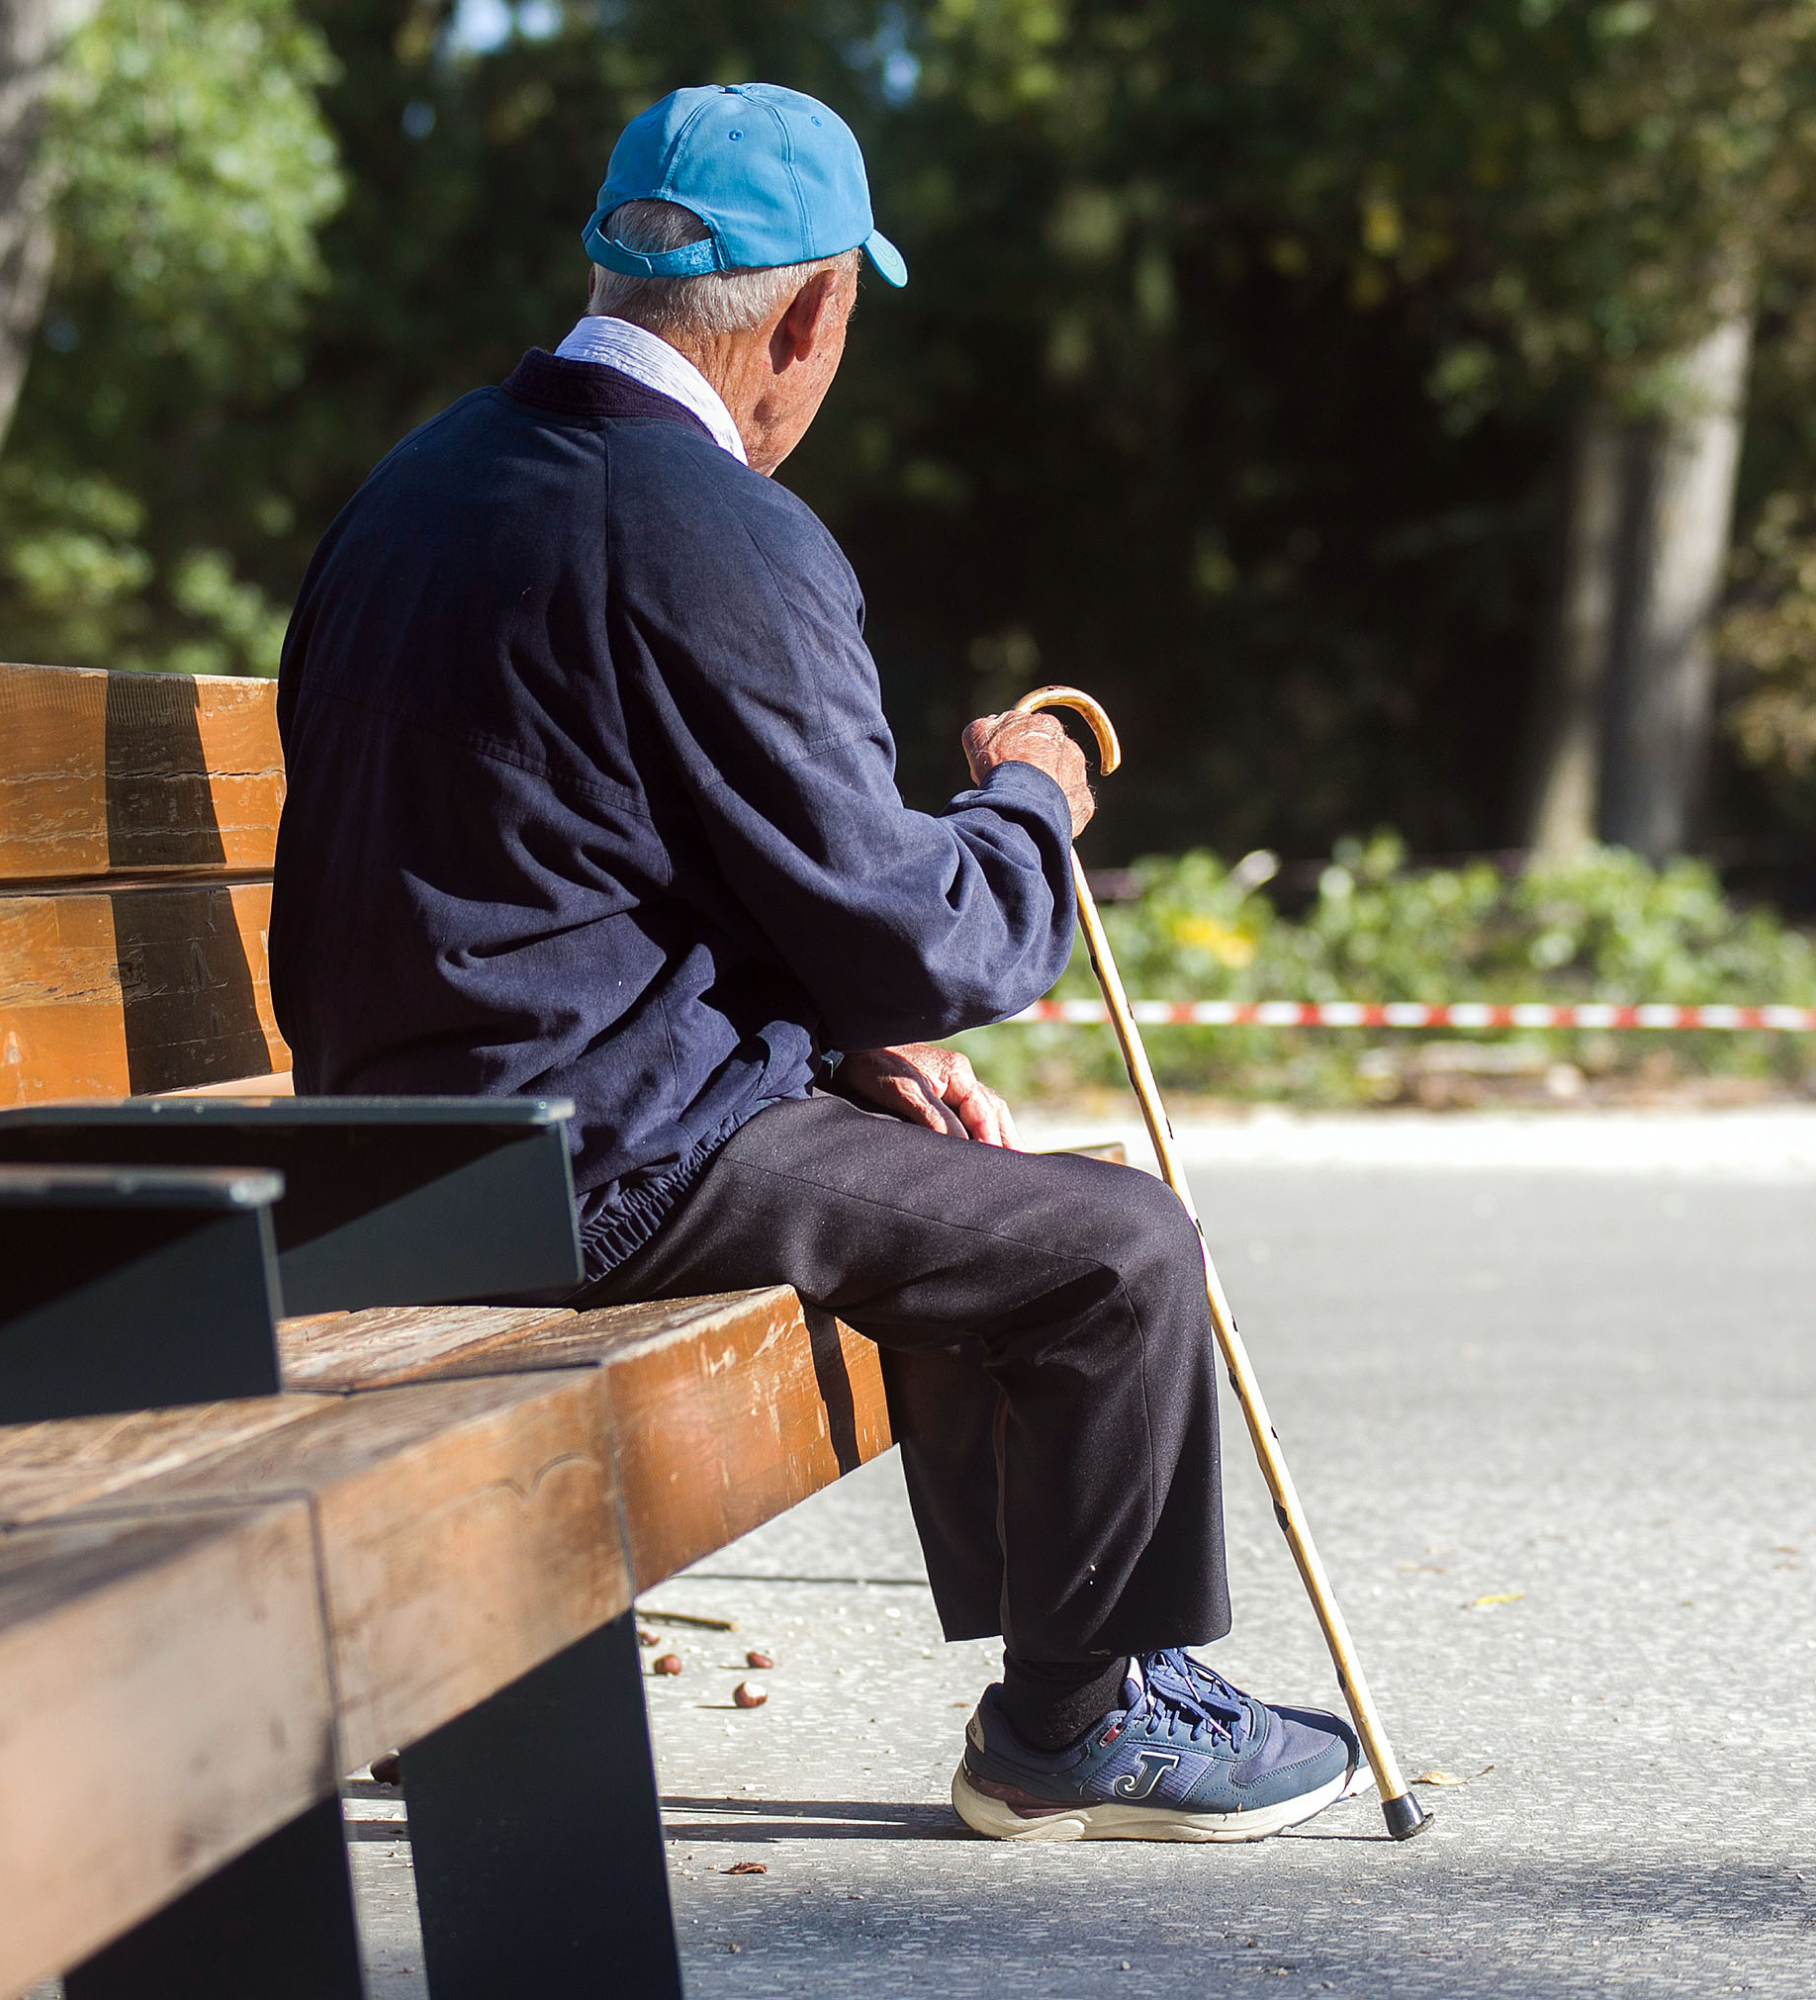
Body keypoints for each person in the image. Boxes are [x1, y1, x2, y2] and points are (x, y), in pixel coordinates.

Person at [271, 81, 1361, 1842]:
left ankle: (1090, 1686)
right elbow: (927, 937)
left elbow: (578, 865)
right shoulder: (712, 529)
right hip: (583, 1166)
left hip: (396, 1142)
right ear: (810, 310)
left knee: (945, 1165)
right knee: (1116, 1252)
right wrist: (1032, 794)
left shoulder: (423, 478)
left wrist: (838, 1052)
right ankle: (1073, 1729)